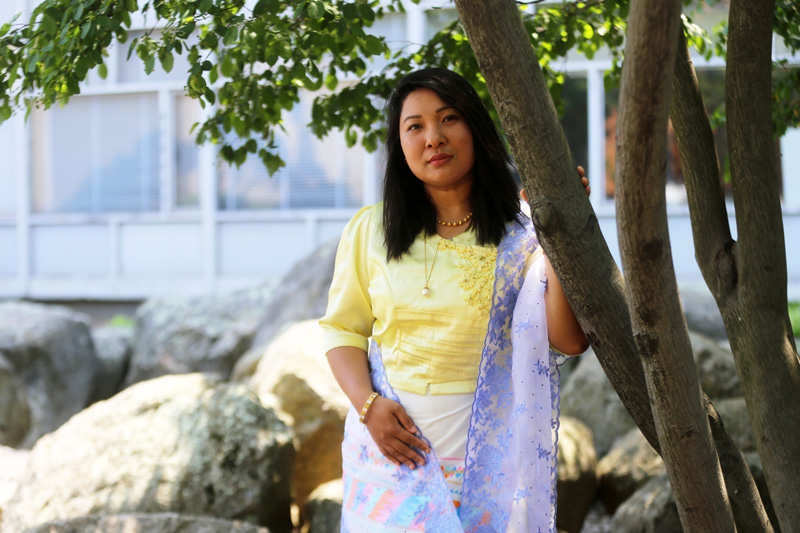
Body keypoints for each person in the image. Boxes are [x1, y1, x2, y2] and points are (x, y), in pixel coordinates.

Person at [319, 67, 589, 532]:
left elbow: (569, 339)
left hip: (487, 463)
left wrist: (558, 237)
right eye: (415, 126)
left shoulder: (522, 234)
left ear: (475, 129)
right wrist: (367, 407)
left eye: (448, 119)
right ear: (399, 145)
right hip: (389, 456)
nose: (433, 138)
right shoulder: (370, 230)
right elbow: (342, 329)